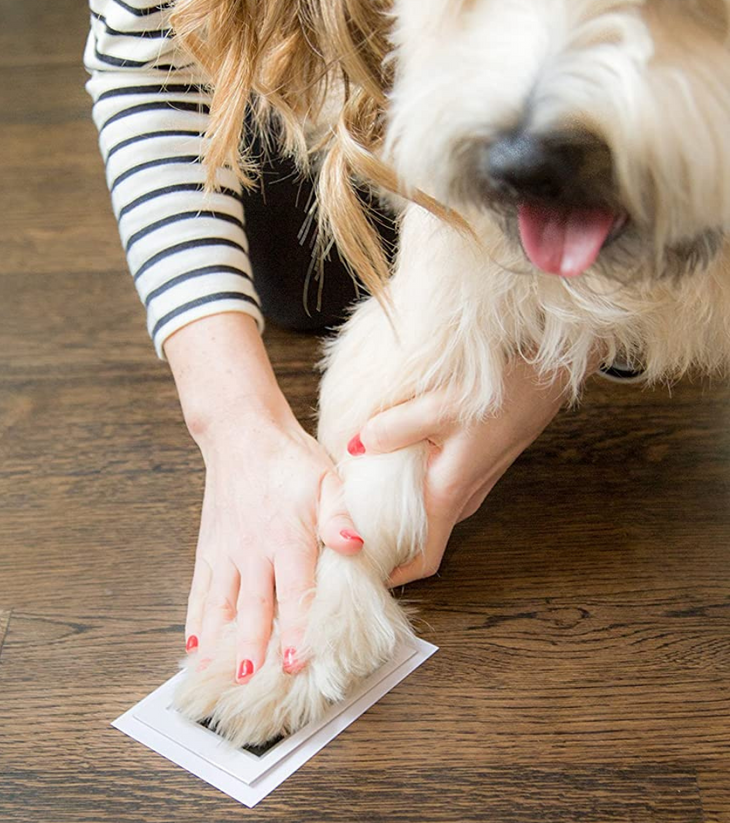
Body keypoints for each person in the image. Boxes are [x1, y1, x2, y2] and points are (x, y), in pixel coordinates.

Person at [83, 0, 595, 685]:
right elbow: (149, 72)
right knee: (304, 284)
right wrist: (232, 421)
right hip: (329, 115)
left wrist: (557, 355)